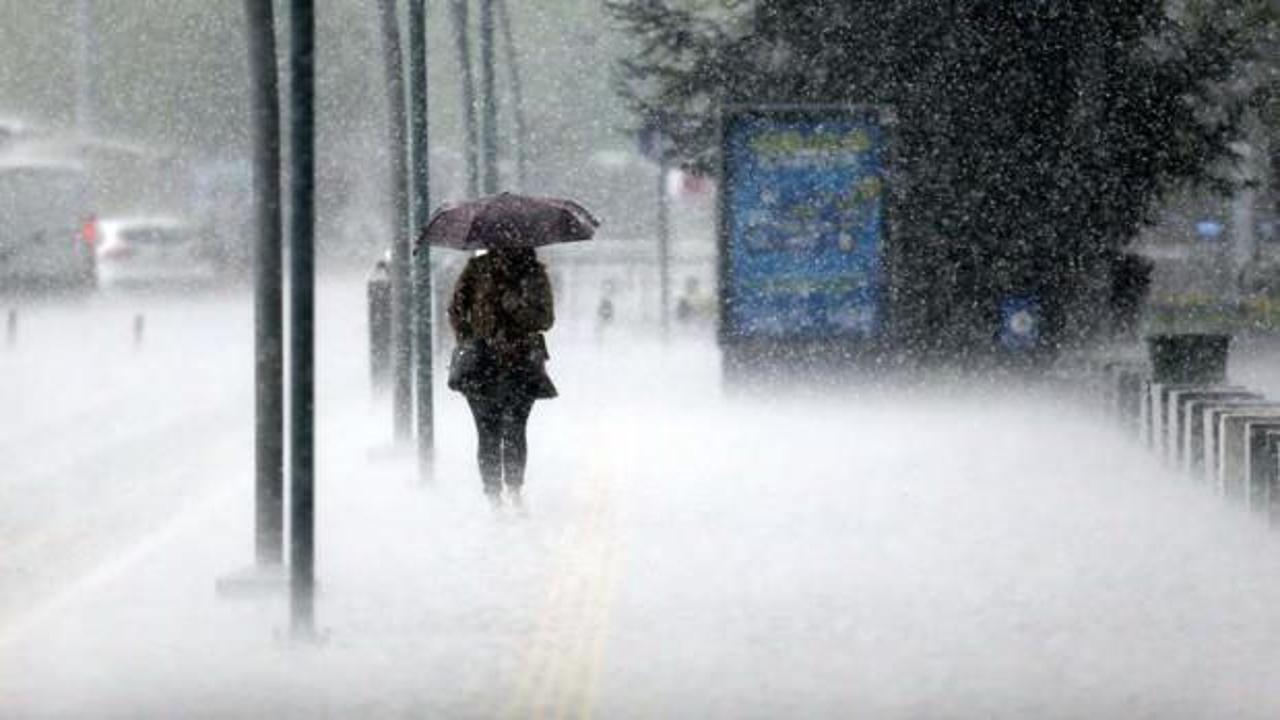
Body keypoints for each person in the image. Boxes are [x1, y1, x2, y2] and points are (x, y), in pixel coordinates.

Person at [448, 246, 556, 507]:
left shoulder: (534, 274)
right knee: (488, 431)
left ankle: (515, 489)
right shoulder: (476, 270)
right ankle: (493, 493)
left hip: (520, 362)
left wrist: (517, 307)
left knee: (515, 428)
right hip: (481, 364)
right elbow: (456, 311)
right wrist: (472, 339)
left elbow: (546, 319)